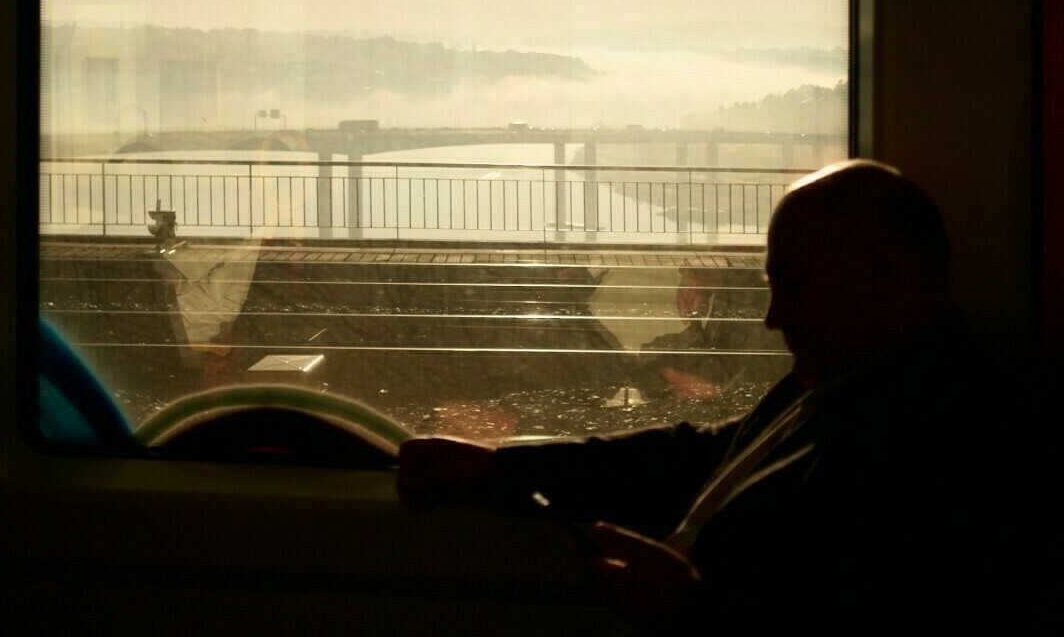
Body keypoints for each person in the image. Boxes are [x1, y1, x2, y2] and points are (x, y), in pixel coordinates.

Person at [398, 160, 1057, 634]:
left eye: (793, 285)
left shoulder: (954, 444)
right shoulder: (860, 383)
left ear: (881, 279)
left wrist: (692, 610)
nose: (772, 319)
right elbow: (703, 458)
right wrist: (498, 469)